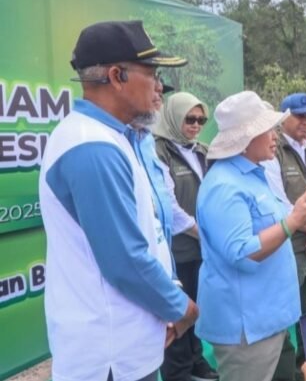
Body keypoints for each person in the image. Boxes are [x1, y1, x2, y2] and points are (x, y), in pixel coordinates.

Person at [40, 20, 198, 381]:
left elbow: (148, 235)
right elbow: (125, 260)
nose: (159, 86)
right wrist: (181, 307)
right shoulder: (92, 147)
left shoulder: (113, 138)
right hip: (109, 358)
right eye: (152, 74)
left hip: (125, 344)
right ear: (116, 76)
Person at [195, 91, 306, 381]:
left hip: (269, 322)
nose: (274, 136)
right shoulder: (224, 186)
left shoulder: (249, 175)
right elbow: (243, 252)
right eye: (267, 130)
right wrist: (292, 223)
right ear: (245, 139)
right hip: (248, 329)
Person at [263, 92, 306, 380]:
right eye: (300, 115)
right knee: (284, 310)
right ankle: (289, 371)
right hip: (289, 246)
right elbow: (275, 202)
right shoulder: (272, 150)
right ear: (283, 117)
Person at [153, 92, 218, 381]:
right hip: (178, 248)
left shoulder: (202, 150)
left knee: (196, 307)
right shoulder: (160, 150)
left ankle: (195, 360)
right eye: (189, 119)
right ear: (173, 117)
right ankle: (177, 371)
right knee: (178, 309)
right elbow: (168, 207)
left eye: (201, 120)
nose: (195, 125)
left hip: (201, 248)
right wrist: (203, 234)